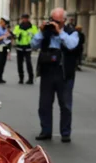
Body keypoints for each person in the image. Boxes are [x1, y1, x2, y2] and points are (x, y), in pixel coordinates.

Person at [31, 8, 80, 143]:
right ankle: (45, 131)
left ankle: (65, 133)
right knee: (44, 104)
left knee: (65, 104)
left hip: (64, 73)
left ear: (64, 21)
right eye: (52, 20)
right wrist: (41, 31)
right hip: (47, 71)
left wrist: (60, 32)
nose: (54, 23)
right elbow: (33, 44)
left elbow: (71, 45)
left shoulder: (72, 32)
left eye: (57, 21)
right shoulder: (46, 32)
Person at [14, 14, 38, 84]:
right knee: (19, 64)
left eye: (26, 18)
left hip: (28, 47)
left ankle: (30, 78)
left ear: (28, 19)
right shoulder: (17, 27)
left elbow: (36, 37)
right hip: (19, 47)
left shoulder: (33, 27)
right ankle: (21, 78)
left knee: (28, 63)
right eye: (23, 18)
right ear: (21, 19)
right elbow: (14, 35)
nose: (25, 20)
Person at [0, 17, 12, 84]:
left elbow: (9, 37)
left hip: (5, 47)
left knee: (3, 63)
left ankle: (0, 78)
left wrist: (10, 35)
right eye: (4, 22)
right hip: (0, 47)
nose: (4, 24)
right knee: (0, 62)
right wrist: (4, 36)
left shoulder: (6, 29)